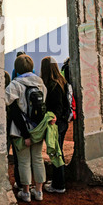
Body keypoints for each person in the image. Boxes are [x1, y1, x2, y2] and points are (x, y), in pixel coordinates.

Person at [6, 54, 47, 202]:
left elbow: (5, 101)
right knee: (38, 159)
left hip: (20, 130)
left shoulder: (15, 85)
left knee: (23, 161)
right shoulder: (40, 83)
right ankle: (39, 191)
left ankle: (26, 192)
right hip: (38, 130)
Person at [40, 56, 70, 193]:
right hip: (63, 122)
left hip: (56, 123)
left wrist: (53, 117)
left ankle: (59, 185)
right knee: (58, 151)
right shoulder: (61, 81)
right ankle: (58, 181)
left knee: (56, 153)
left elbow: (56, 106)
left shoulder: (52, 85)